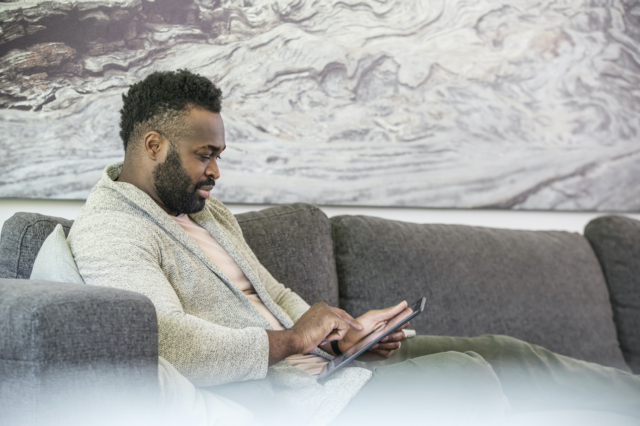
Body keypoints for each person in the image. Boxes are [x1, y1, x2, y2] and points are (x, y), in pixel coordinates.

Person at [68, 70, 640, 426]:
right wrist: (294, 338)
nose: (216, 171)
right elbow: (166, 340)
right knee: (471, 375)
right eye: (204, 154)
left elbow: (273, 294)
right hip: (289, 393)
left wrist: (341, 333)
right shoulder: (110, 231)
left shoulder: (204, 211)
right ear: (153, 144)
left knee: (506, 350)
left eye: (220, 154)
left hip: (320, 364)